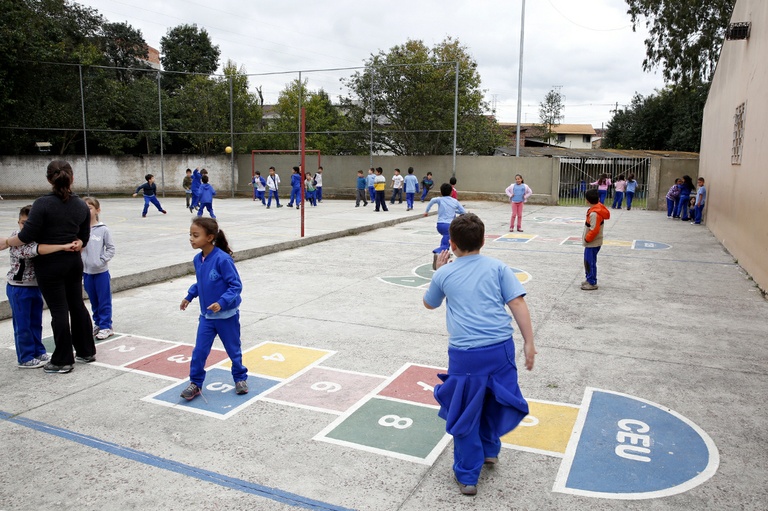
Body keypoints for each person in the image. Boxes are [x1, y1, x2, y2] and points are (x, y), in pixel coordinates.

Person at [422, 213, 536, 497]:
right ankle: (490, 450)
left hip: (466, 356)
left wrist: (436, 270)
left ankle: (468, 474)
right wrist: (529, 342)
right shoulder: (498, 268)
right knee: (492, 400)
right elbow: (518, 304)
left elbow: (429, 304)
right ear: (484, 240)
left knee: (464, 411)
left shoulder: (445, 272)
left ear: (452, 243)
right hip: (501, 350)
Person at [0, 160, 94, 373]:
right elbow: (84, 238)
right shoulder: (80, 205)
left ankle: (62, 360)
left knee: (59, 309)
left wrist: (6, 241)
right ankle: (86, 350)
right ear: (72, 178)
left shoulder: (42, 204)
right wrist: (78, 243)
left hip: (50, 264)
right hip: (72, 261)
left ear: (48, 179)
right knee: (76, 305)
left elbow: (26, 236)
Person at [180, 217, 248, 400]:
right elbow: (201, 282)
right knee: (199, 352)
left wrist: (222, 302)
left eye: (196, 235)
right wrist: (189, 296)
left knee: (233, 350)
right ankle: (195, 383)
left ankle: (240, 378)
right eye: (190, 235)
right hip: (207, 317)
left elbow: (235, 286)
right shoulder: (198, 259)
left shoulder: (223, 260)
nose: (191, 239)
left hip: (227, 317)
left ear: (210, 237)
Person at [3, 205, 76, 368]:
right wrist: (63, 246)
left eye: (30, 224)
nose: (25, 228)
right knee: (23, 324)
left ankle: (38, 350)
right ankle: (25, 357)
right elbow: (38, 250)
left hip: (35, 286)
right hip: (19, 287)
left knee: (35, 321)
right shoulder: (17, 239)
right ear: (18, 223)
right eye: (23, 223)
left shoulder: (37, 236)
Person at [82, 197, 116, 340]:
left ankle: (106, 326)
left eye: (89, 207)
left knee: (104, 300)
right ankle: (98, 323)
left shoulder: (103, 230)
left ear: (97, 210)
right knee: (93, 300)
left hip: (101, 272)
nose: (86, 210)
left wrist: (101, 260)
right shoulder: (80, 229)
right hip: (87, 272)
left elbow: (111, 248)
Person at [424, 183, 466, 269]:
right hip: (450, 226)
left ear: (441, 192)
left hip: (440, 225)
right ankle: (439, 252)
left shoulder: (439, 199)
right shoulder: (455, 201)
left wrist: (426, 211)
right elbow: (463, 212)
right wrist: (455, 211)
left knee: (446, 240)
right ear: (451, 192)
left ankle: (443, 254)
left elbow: (432, 200)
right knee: (447, 243)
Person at [582, 189, 610, 291]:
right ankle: (589, 278)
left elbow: (594, 230)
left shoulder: (594, 213)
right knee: (587, 261)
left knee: (590, 262)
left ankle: (592, 282)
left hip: (592, 243)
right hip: (592, 242)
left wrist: (587, 239)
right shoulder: (597, 209)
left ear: (587, 201)